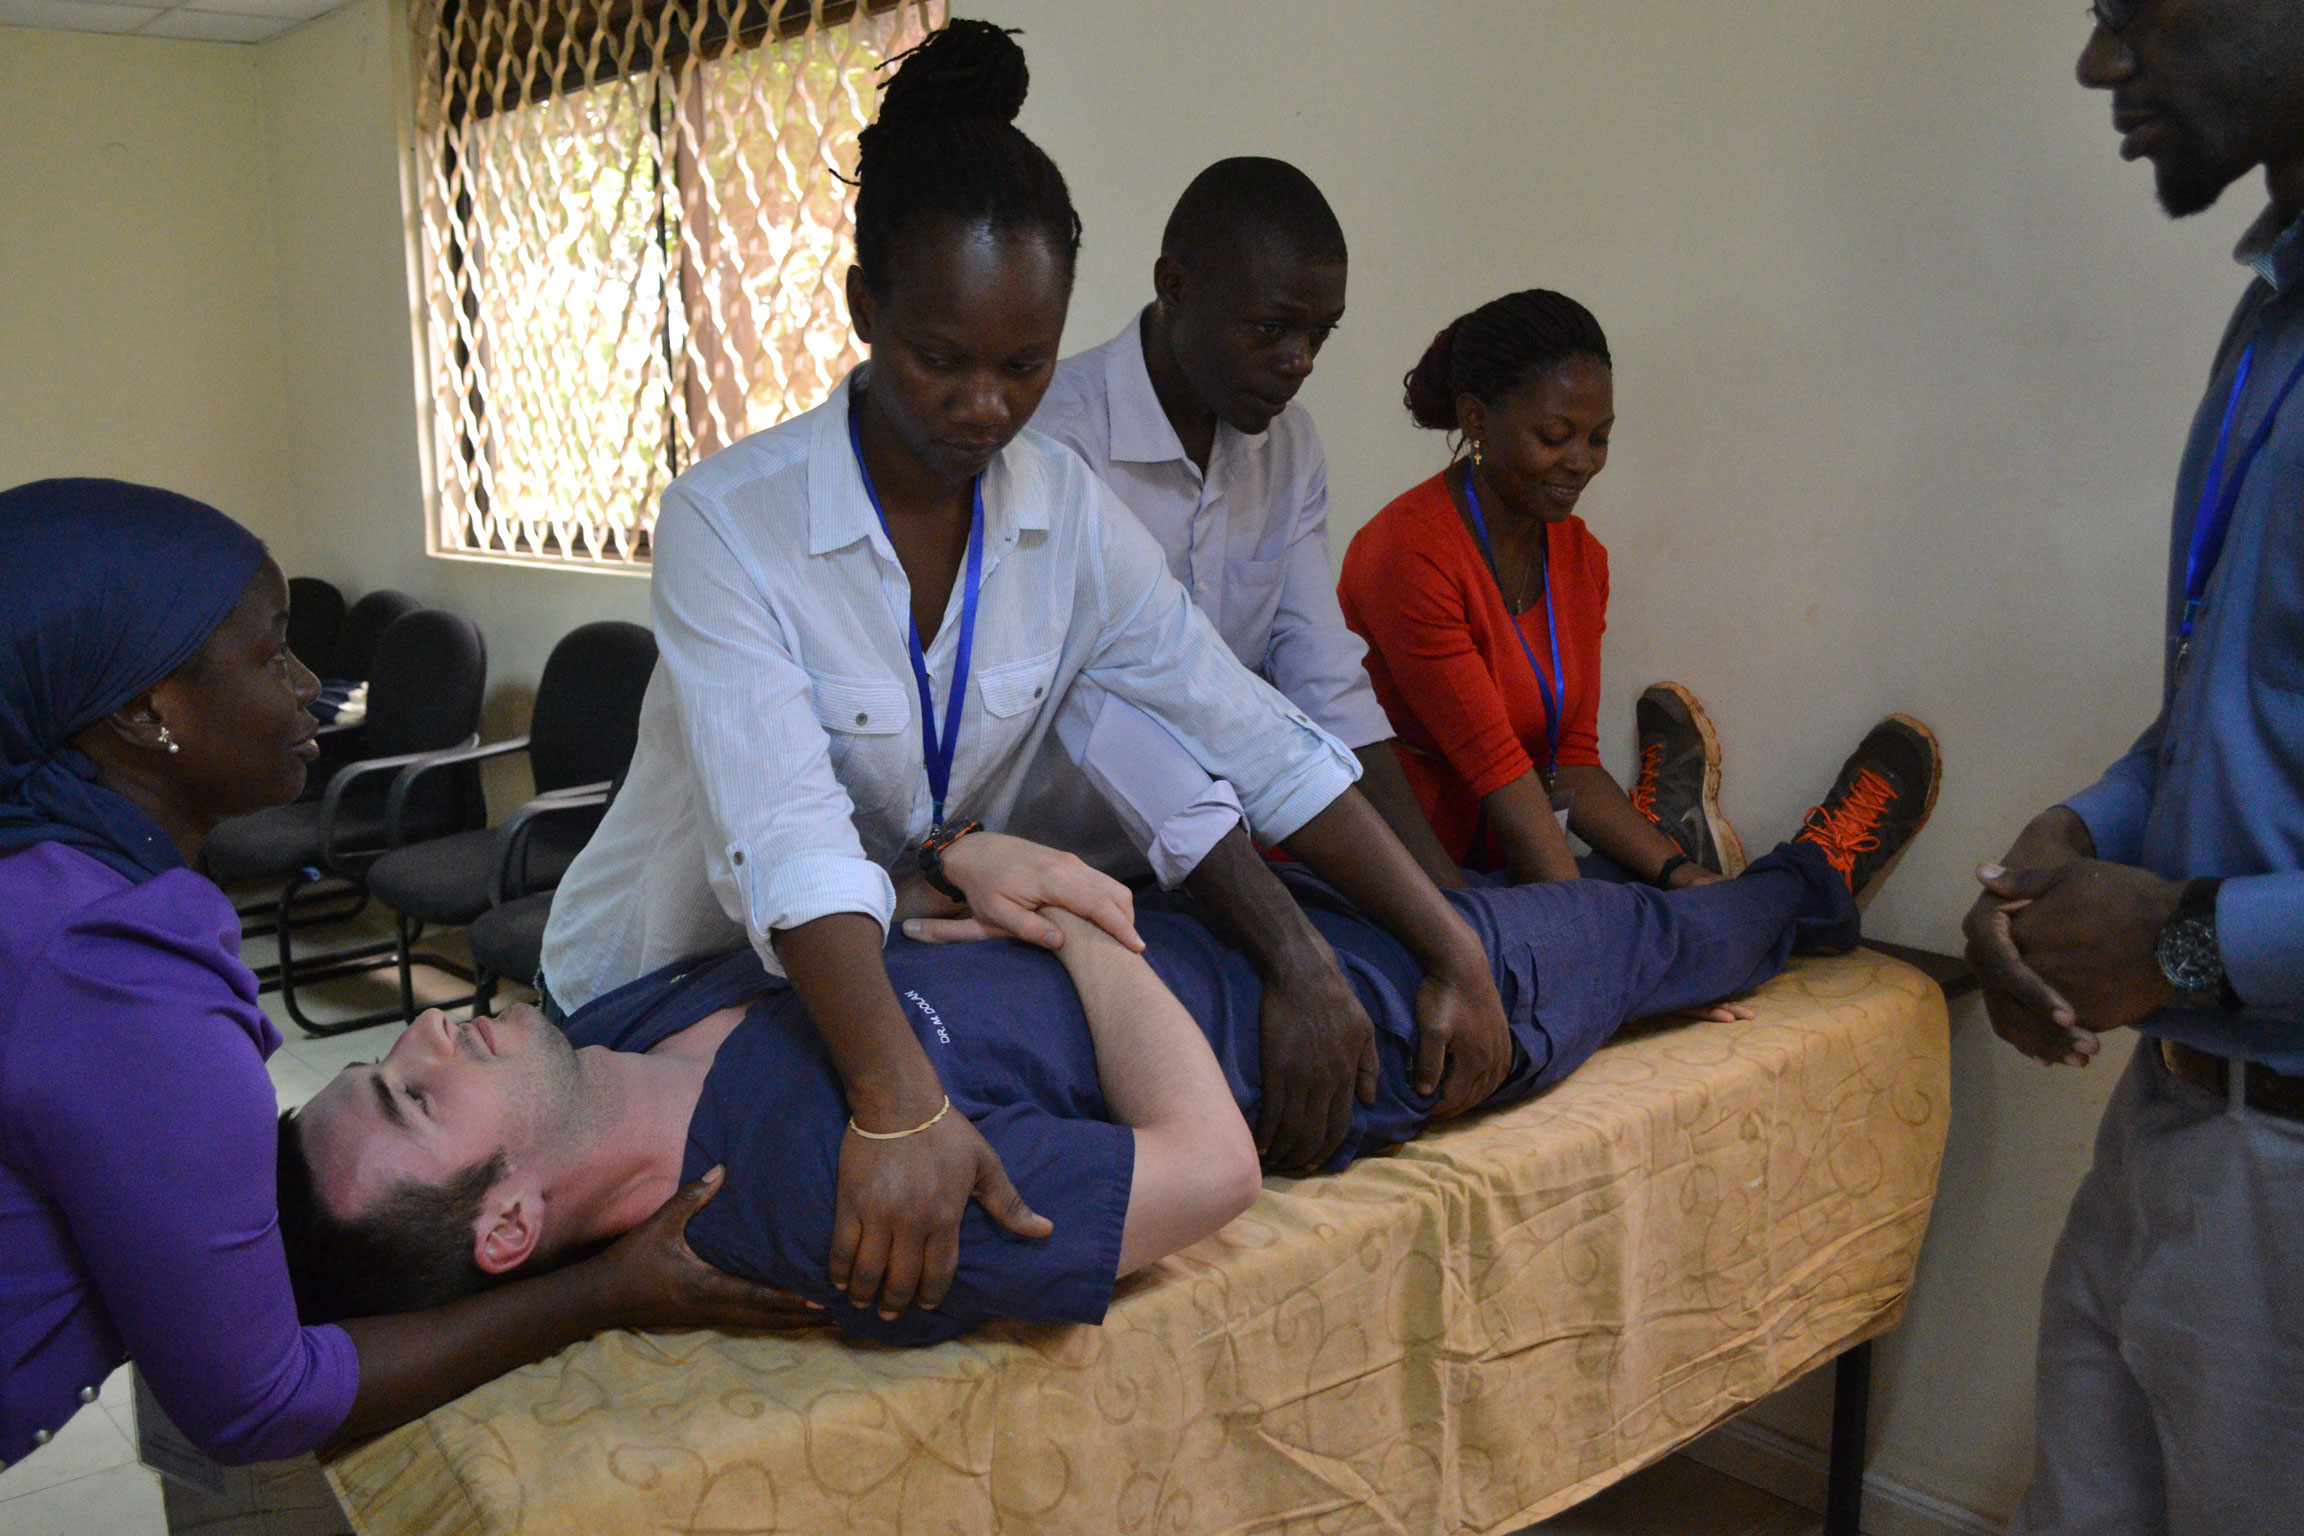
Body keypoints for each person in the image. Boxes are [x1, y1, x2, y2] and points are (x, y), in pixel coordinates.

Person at [541, 21, 1511, 1324]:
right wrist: (896, 1107)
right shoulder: (733, 521)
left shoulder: (1059, 514)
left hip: (862, 959)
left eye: (1025, 364)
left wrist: (1455, 947)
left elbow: (1252, 730)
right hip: (666, 982)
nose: (987, 408)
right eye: (943, 359)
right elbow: (790, 839)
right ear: (865, 312)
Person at [277, 724, 1939, 1344]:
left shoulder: (629, 1009)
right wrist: (1074, 921)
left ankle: (1670, 841)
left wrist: (965, 862)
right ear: (506, 1222)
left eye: (378, 1064)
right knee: (1627, 939)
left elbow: (855, 889)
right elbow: (1207, 1170)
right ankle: (1804, 882)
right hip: (1338, 1031)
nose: (427, 1046)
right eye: (413, 1110)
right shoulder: (804, 1204)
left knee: (1475, 833)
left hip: (1232, 913)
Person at [0, 479, 815, 1472]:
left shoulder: (41, 886)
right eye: (270, 654)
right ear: (143, 710)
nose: (308, 684)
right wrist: (601, 1293)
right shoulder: (121, 986)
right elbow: (253, 1404)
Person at [1963, 4, 2304, 1531]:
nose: (2103, 65)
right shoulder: (2271, 318)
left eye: (2137, 10)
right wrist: (2072, 835)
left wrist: (2168, 935)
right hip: (2176, 1115)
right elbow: (2234, 697)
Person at [1020, 155, 1459, 886]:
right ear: (1175, 288)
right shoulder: (1054, 445)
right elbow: (1101, 711)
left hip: (1217, 873)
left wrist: (1447, 898)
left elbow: (1323, 680)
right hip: (1055, 866)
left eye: (1321, 334)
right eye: (1270, 328)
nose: (1300, 361)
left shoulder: (1290, 448)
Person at [1341, 291, 1831, 891]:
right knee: (1635, 931)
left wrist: (1680, 876)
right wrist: (1582, 921)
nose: (1581, 462)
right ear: (1476, 420)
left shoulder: (1581, 559)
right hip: (1392, 875)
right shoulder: (1408, 553)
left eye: (1598, 438)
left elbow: (1568, 761)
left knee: (1739, 905)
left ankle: (1733, 863)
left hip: (1505, 865)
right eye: (1554, 436)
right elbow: (1496, 766)